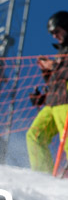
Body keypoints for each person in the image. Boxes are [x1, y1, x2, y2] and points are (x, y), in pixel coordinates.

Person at [26, 11, 68, 173]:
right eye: (52, 33)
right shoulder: (61, 52)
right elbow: (58, 80)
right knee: (34, 136)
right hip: (53, 103)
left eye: (57, 31)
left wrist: (53, 66)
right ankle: (42, 176)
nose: (54, 36)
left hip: (66, 103)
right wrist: (42, 97)